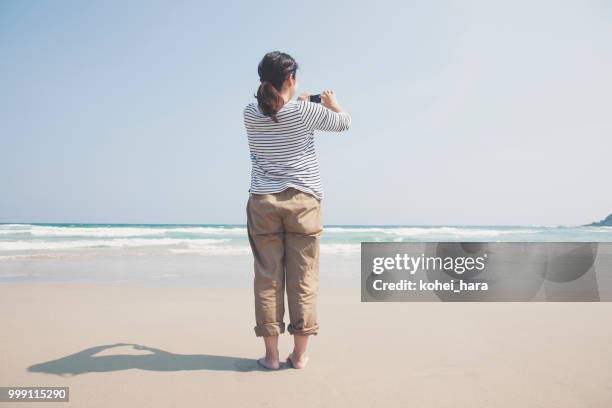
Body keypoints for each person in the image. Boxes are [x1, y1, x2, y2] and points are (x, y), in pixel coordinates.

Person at [243, 51, 351, 370]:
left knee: (268, 279)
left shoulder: (249, 112)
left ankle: (272, 356)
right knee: (303, 278)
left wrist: (299, 102)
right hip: (303, 201)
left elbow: (276, 110)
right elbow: (345, 123)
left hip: (263, 201)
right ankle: (300, 354)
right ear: (290, 79)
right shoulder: (304, 111)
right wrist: (329, 104)